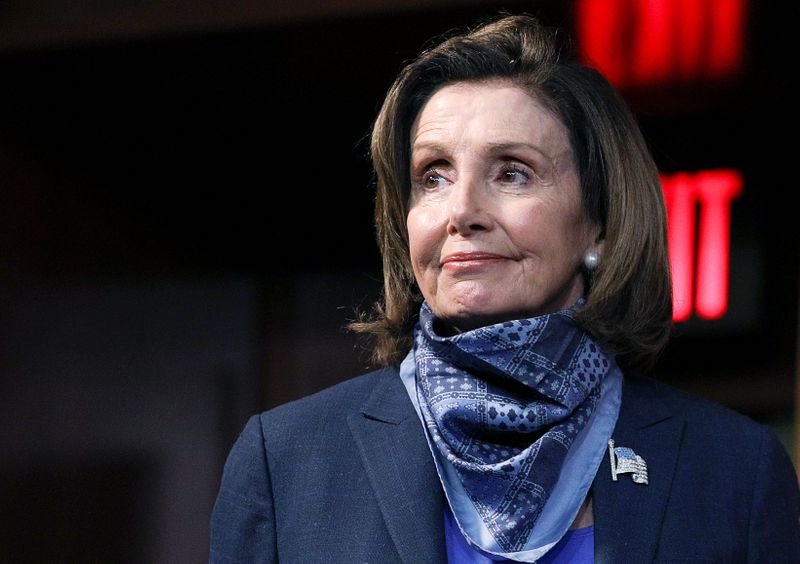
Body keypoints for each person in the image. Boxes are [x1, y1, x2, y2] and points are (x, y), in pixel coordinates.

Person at [209, 14, 800, 563]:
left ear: (598, 220)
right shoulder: (284, 461)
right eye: (433, 176)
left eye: (512, 172)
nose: (461, 211)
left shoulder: (735, 471)